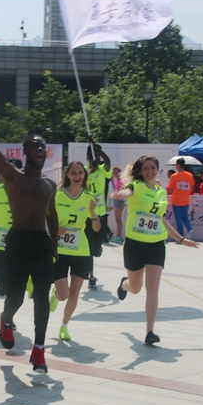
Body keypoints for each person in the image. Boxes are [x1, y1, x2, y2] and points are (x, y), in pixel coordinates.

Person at [0, 90, 58, 373]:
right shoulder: (13, 176)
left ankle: (39, 349)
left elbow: (52, 216)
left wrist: (55, 247)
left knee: (41, 297)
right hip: (16, 243)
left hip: (41, 243)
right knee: (16, 298)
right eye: (34, 146)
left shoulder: (50, 185)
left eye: (43, 146)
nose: (40, 149)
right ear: (25, 151)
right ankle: (6, 318)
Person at [111, 156, 198, 345]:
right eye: (146, 168)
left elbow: (162, 220)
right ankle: (124, 284)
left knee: (153, 288)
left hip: (156, 244)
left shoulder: (160, 192)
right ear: (141, 171)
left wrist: (181, 239)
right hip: (135, 243)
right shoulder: (136, 186)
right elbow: (127, 192)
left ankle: (149, 332)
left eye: (153, 167)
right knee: (135, 288)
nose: (150, 171)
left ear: (157, 169)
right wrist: (120, 194)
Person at [49, 161, 100, 341]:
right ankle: (56, 294)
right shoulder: (57, 196)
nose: (77, 176)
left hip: (81, 251)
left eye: (80, 172)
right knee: (64, 294)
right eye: (73, 173)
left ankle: (64, 326)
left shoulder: (89, 197)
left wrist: (93, 212)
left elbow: (96, 228)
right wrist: (56, 230)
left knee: (74, 293)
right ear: (67, 175)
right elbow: (46, 220)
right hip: (60, 250)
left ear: (84, 175)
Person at [85, 137, 111, 290]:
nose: (96, 157)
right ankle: (91, 276)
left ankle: (98, 247)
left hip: (101, 214)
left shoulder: (103, 170)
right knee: (89, 248)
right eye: (92, 154)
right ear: (88, 156)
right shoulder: (84, 172)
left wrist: (95, 145)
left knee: (96, 250)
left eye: (98, 154)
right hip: (87, 215)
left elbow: (107, 161)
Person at [167, 158, 195, 239]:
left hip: (176, 200)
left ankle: (181, 235)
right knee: (185, 217)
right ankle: (189, 229)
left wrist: (177, 192)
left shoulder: (174, 176)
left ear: (178, 165)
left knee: (178, 219)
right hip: (186, 200)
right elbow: (192, 186)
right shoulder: (189, 175)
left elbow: (170, 189)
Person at [110, 166, 125, 243]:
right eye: (114, 172)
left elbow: (122, 191)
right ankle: (118, 236)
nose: (115, 174)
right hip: (116, 200)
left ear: (120, 172)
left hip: (119, 201)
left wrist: (115, 194)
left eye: (117, 172)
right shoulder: (117, 181)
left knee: (118, 219)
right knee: (117, 219)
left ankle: (119, 237)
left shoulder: (121, 181)